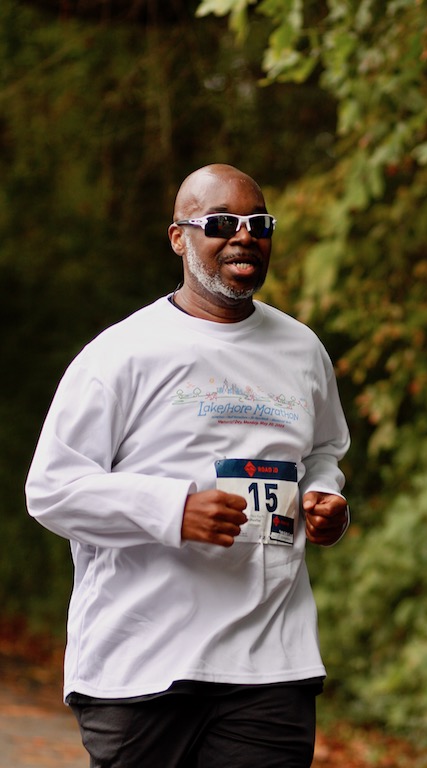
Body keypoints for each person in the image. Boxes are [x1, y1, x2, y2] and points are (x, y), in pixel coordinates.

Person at [25, 163, 350, 768]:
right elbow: (52, 489)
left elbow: (323, 454)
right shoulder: (121, 354)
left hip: (271, 664)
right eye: (222, 223)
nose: (244, 236)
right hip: (145, 663)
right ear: (179, 237)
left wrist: (326, 500)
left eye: (259, 224)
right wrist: (173, 511)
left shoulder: (302, 350)